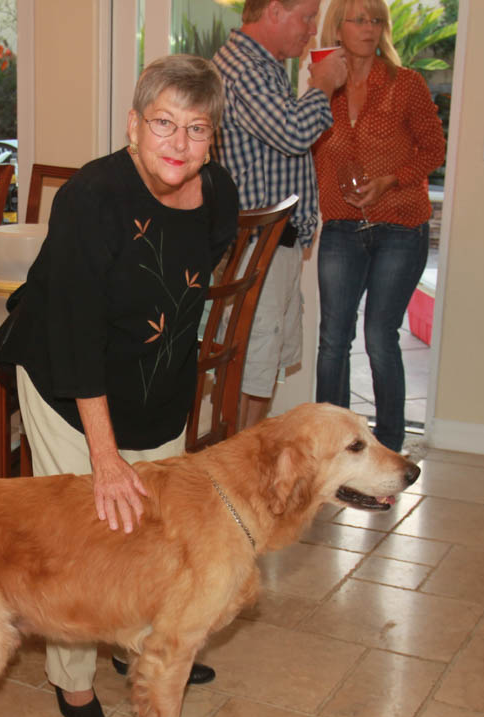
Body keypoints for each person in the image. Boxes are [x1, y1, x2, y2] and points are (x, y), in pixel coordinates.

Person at [0, 54, 238, 717]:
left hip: (156, 384)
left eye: (197, 129)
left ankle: (139, 649)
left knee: (156, 535)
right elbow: (75, 335)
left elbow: (181, 297)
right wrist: (105, 457)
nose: (179, 145)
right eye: (163, 123)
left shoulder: (218, 193)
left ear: (213, 137)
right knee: (83, 540)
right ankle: (70, 680)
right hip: (68, 382)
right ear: (133, 125)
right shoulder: (91, 200)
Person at [313, 0, 445, 452]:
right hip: (341, 227)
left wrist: (391, 179)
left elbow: (433, 149)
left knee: (380, 337)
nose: (369, 28)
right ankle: (329, 444)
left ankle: (387, 444)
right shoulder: (322, 85)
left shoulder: (405, 83)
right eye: (359, 19)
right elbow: (304, 143)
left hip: (400, 225)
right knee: (333, 337)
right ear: (339, 26)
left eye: (376, 20)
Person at [210, 0, 347, 430]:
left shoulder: (263, 65)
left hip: (272, 244)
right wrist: (322, 86)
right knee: (252, 363)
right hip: (254, 246)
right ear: (273, 10)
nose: (311, 31)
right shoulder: (244, 67)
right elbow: (292, 133)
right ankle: (238, 470)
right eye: (306, 17)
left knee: (262, 364)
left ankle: (250, 466)